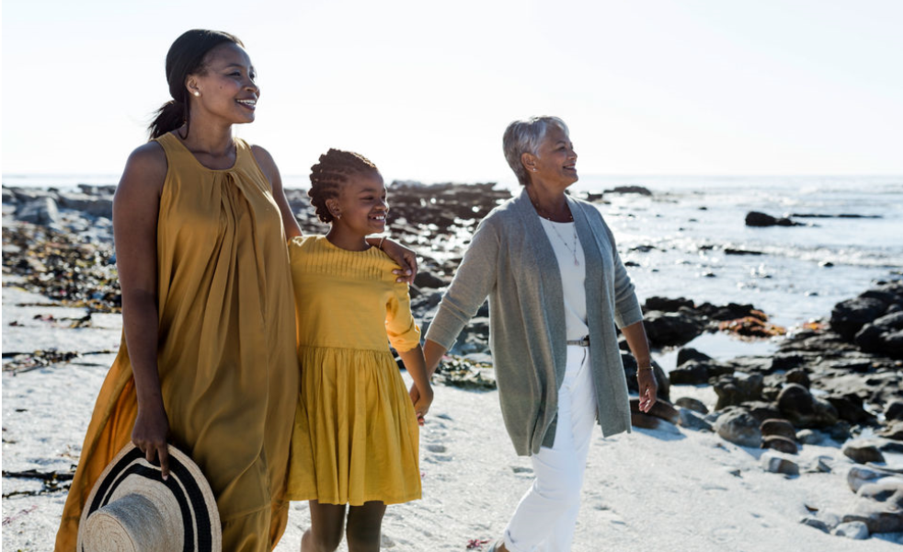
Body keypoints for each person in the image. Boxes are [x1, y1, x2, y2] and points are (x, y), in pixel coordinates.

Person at [54, 30, 417, 552]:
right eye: (234, 74)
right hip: (190, 372)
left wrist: (376, 244)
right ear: (193, 83)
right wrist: (150, 403)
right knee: (192, 514)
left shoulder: (260, 163)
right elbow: (138, 295)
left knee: (249, 515)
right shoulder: (150, 165)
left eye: (253, 76)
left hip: (269, 374)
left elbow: (301, 254)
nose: (251, 86)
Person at [419, 116, 658, 552]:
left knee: (571, 488)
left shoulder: (591, 218)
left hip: (591, 369)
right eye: (560, 147)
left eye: (571, 145)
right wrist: (422, 377)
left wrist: (643, 364)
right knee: (558, 488)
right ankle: (504, 549)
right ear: (529, 161)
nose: (573, 154)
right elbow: (457, 304)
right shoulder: (502, 226)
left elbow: (622, 293)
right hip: (535, 373)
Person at [285, 149, 432, 552]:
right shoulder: (298, 256)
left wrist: (425, 387)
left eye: (383, 196)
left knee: (366, 536)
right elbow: (273, 206)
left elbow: (404, 335)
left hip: (377, 400)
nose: (381, 204)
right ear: (335, 206)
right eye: (368, 197)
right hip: (321, 402)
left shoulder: (388, 267)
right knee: (326, 537)